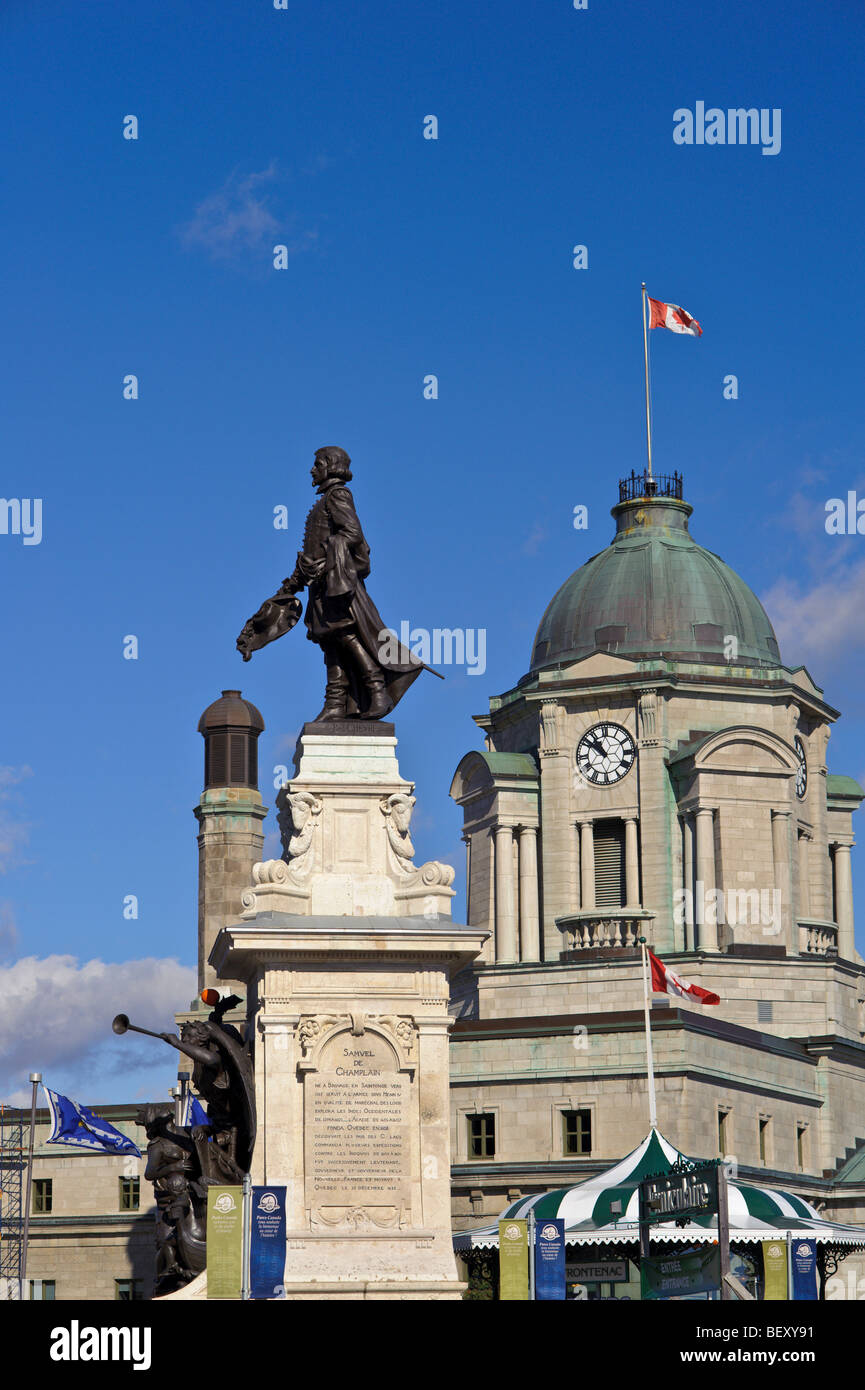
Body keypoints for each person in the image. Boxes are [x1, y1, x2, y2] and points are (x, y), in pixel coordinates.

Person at [237, 445, 425, 721]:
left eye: (317, 464)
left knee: (343, 634)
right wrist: (292, 584)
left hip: (337, 584)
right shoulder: (324, 500)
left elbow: (352, 534)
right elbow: (312, 554)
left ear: (331, 466)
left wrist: (326, 562)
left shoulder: (338, 495)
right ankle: (335, 703)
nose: (312, 470)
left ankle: (377, 690)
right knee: (331, 641)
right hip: (322, 585)